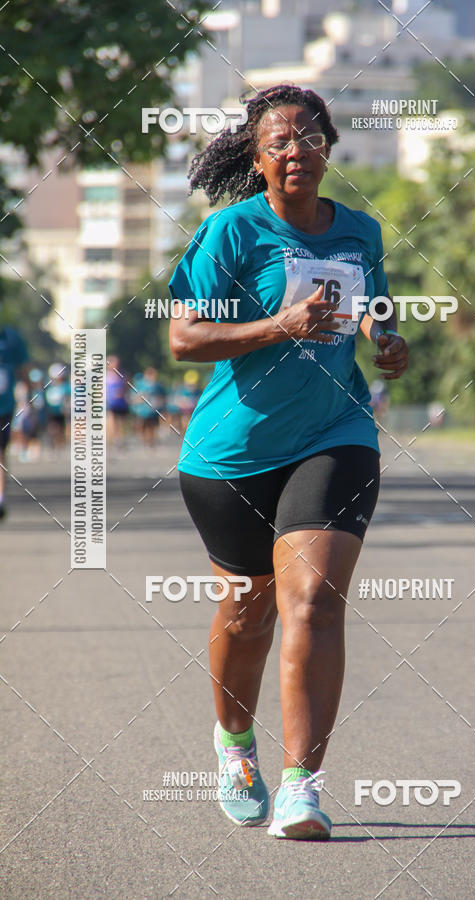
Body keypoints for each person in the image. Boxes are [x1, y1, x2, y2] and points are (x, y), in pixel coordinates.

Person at [168, 84, 408, 840]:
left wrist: (387, 343)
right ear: (259, 157)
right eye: (278, 141)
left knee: (314, 600)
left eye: (308, 137)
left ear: (328, 147)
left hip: (335, 433)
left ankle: (304, 785)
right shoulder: (231, 233)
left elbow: (377, 307)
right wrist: (279, 326)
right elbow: (184, 339)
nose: (294, 151)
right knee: (248, 613)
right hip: (231, 453)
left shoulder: (361, 232)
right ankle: (235, 747)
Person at [0, 322, 28, 518]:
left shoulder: (11, 338)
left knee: (0, 452)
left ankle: (0, 498)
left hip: (4, 406)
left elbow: (24, 370)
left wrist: (29, 399)